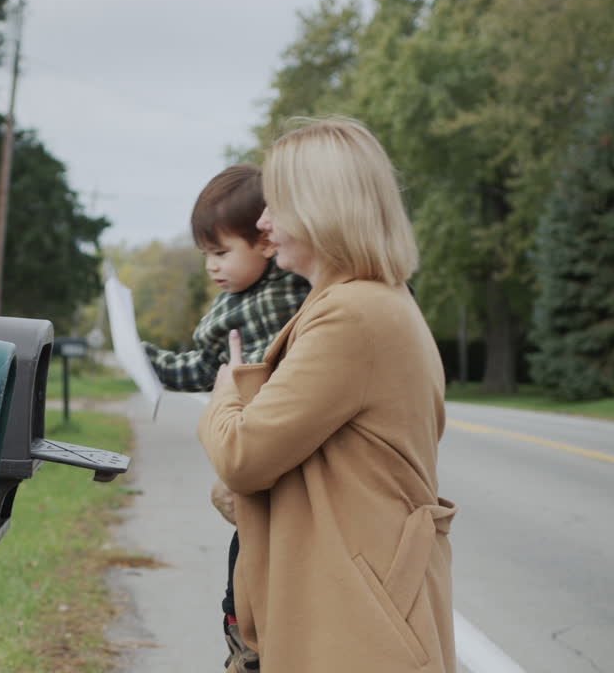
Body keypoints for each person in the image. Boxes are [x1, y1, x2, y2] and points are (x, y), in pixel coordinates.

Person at [198, 117, 457, 672]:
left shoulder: (353, 314)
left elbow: (245, 455)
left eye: (276, 205)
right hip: (353, 615)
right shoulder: (364, 304)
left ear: (323, 207)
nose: (264, 223)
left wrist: (226, 393)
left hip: (357, 628)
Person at [140, 163, 309, 673]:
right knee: (247, 566)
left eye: (221, 252)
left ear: (264, 241)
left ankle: (249, 649)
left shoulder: (277, 303)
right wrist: (150, 361)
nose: (212, 267)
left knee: (252, 576)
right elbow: (210, 369)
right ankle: (246, 642)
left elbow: (228, 381)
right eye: (206, 255)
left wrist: (159, 366)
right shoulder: (247, 301)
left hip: (267, 467)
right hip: (261, 473)